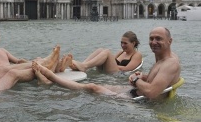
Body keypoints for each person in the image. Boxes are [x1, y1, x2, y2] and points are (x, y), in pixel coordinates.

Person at [32, 27, 181, 100]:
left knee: (92, 86)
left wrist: (136, 79)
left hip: (137, 99)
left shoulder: (170, 63)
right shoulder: (162, 59)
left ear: (170, 41)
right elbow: (157, 80)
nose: (154, 42)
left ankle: (50, 75)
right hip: (132, 90)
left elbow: (151, 92)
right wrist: (143, 76)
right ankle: (64, 69)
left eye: (158, 39)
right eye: (151, 38)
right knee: (102, 55)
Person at [69, 31, 142, 73]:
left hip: (118, 73)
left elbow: (127, 69)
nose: (122, 45)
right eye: (121, 43)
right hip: (109, 70)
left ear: (133, 43)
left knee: (107, 52)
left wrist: (111, 64)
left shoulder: (137, 55)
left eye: (125, 43)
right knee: (100, 50)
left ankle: (84, 66)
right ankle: (82, 65)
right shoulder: (121, 52)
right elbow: (109, 60)